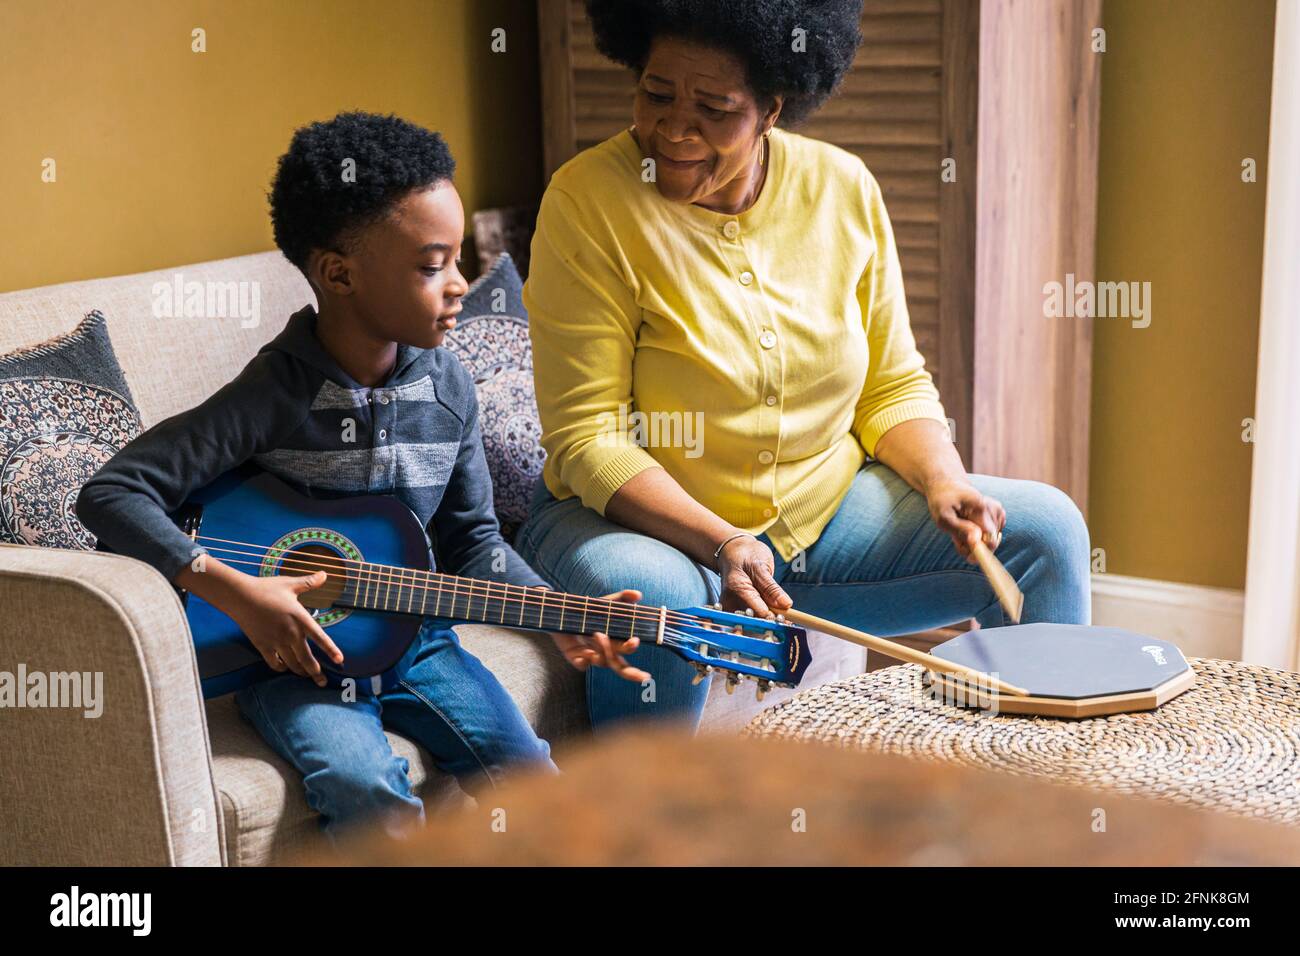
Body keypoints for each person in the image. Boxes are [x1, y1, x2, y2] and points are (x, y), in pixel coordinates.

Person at [517, 0, 1091, 734]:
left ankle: (1043, 806)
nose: (673, 127)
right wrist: (721, 541)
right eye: (655, 93)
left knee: (1047, 533)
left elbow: (891, 383)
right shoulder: (586, 201)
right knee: (661, 598)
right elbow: (588, 438)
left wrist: (945, 480)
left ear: (772, 110)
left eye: (715, 107)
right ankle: (642, 836)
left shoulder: (843, 188)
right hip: (641, 527)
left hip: (818, 520)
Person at [77, 111, 646, 842]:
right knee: (363, 789)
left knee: (533, 781)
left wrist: (556, 614)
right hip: (298, 669)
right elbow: (111, 492)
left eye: (457, 260)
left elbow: (471, 544)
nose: (460, 286)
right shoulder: (276, 392)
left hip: (420, 643)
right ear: (339, 273)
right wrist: (237, 592)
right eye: (431, 264)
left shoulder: (450, 390)